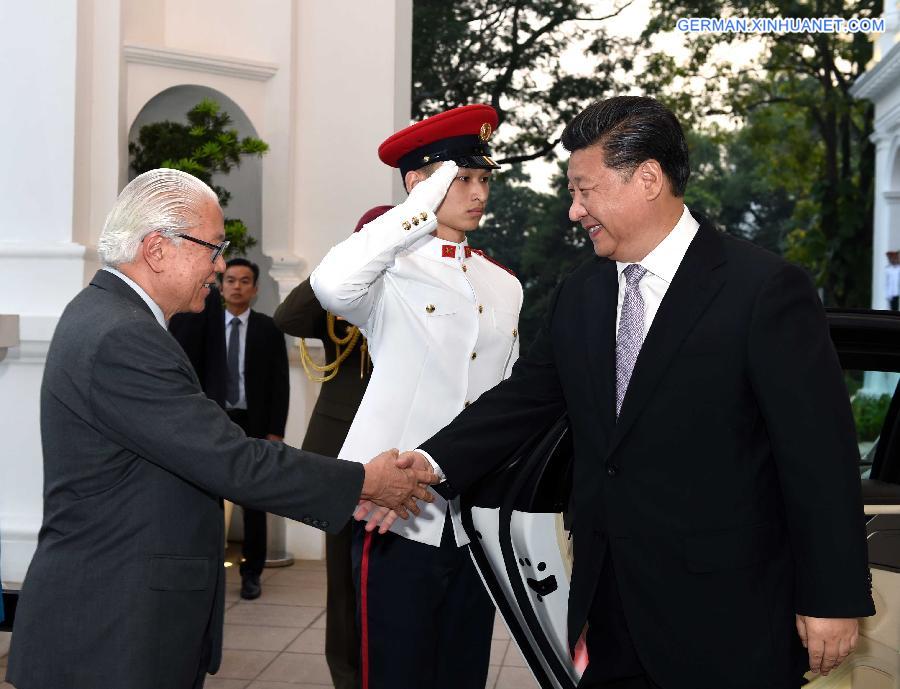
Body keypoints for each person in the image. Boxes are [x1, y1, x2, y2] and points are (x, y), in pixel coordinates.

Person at [397, 97, 873, 689]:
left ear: (647, 179)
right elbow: (527, 398)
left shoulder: (764, 290)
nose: (575, 211)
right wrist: (426, 463)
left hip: (731, 616)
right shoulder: (583, 292)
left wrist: (832, 596)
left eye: (584, 190)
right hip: (611, 608)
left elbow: (819, 455)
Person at [4, 168, 437, 689]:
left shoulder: (111, 316)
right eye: (211, 247)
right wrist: (364, 481)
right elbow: (231, 459)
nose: (217, 265)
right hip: (112, 628)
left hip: (125, 615)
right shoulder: (122, 336)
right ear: (157, 248)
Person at [311, 105, 523, 689]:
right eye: (462, 179)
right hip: (395, 514)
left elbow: (503, 397)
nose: (479, 192)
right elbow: (329, 285)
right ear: (420, 183)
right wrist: (414, 213)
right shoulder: (388, 271)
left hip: (472, 515)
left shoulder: (503, 284)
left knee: (462, 671)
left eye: (485, 179)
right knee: (395, 673)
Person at [273, 205, 388, 689]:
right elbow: (287, 317)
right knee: (342, 576)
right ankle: (347, 673)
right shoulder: (338, 295)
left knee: (393, 576)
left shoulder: (415, 292)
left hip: (398, 447)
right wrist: (339, 261)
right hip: (341, 449)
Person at [219, 257, 291, 600]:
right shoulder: (203, 326)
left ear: (255, 288)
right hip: (215, 421)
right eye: (230, 280)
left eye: (244, 281)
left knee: (254, 501)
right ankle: (211, 569)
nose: (236, 286)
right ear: (221, 286)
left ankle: (251, 573)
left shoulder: (268, 328)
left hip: (255, 424)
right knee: (209, 499)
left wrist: (275, 430)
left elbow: (280, 383)